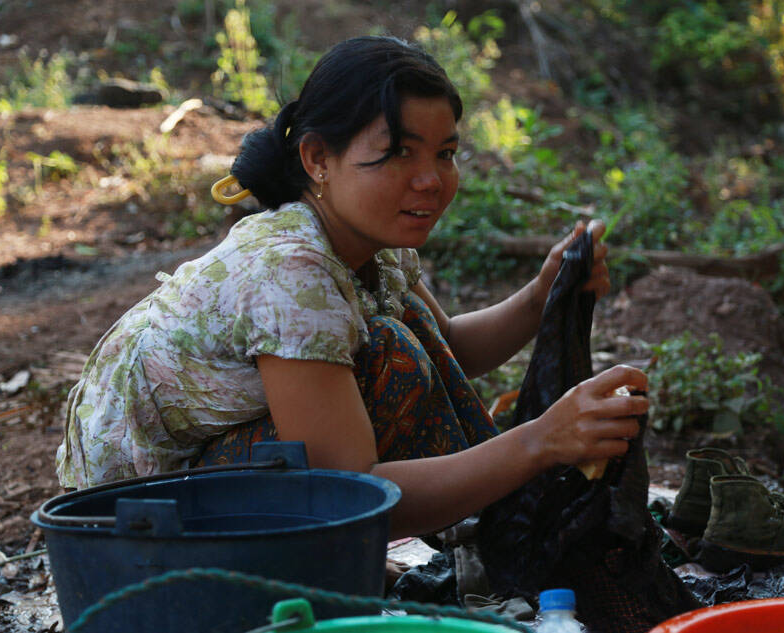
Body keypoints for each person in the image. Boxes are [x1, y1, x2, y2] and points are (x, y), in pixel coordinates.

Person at [56, 36, 648, 540]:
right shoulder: (290, 273)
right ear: (317, 157)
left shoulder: (370, 245)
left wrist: (540, 297)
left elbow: (451, 352)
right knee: (395, 361)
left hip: (197, 484)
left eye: (445, 153)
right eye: (398, 153)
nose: (431, 180)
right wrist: (539, 443)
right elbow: (351, 493)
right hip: (132, 527)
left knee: (404, 342)